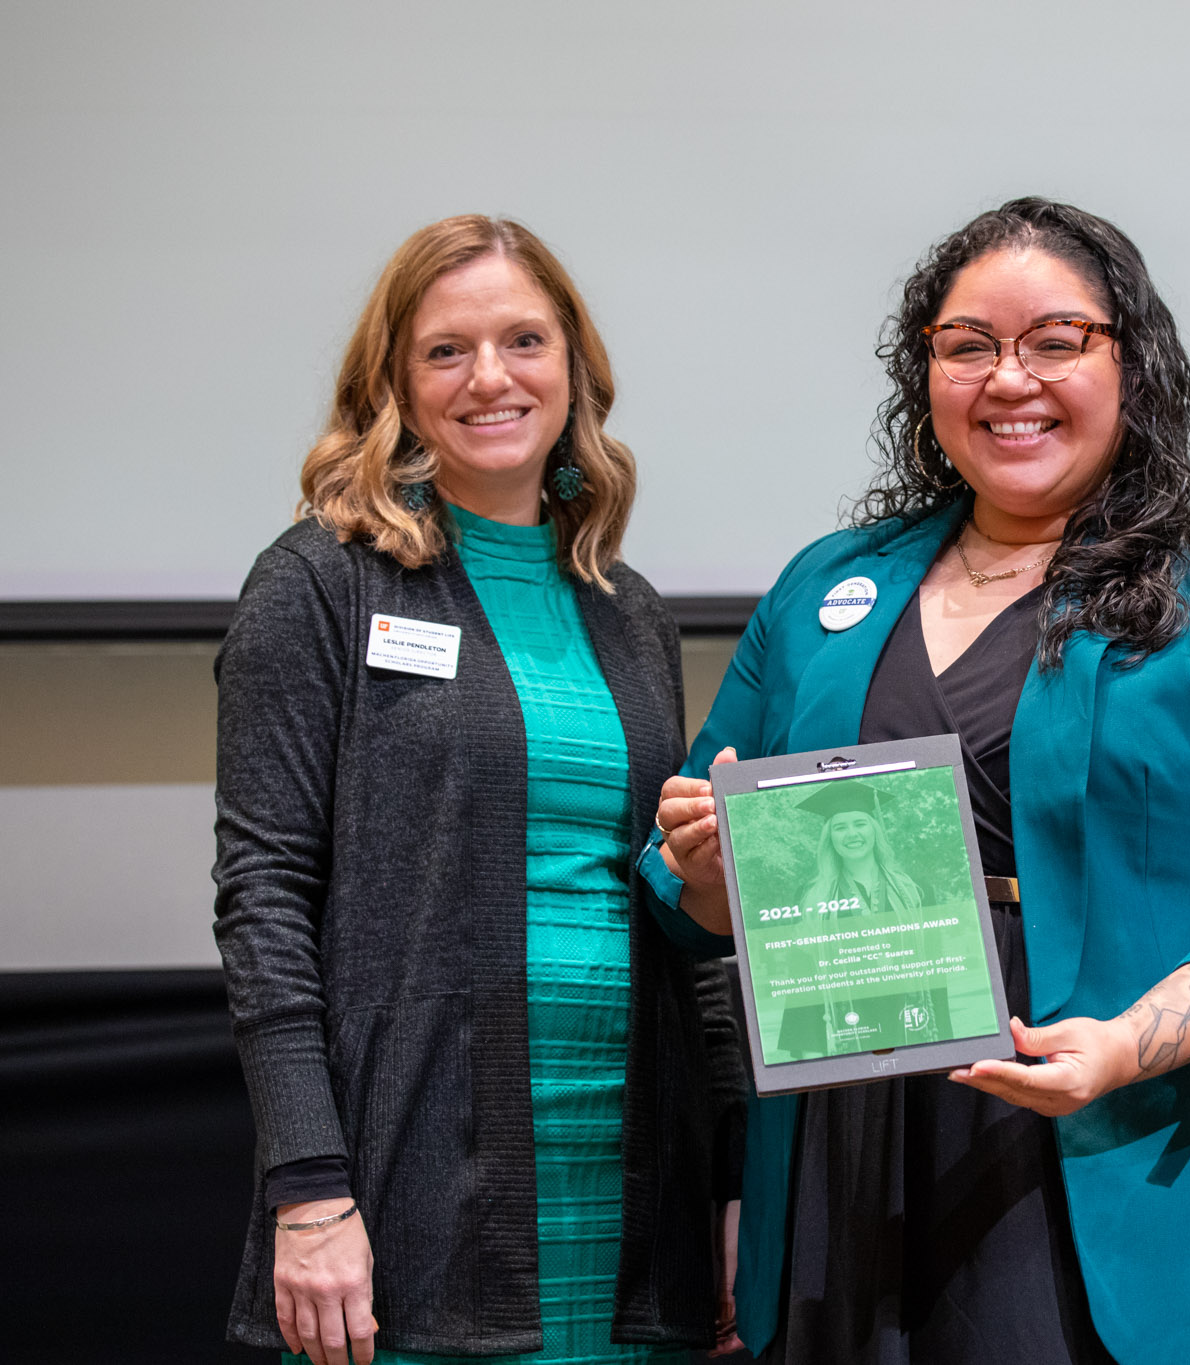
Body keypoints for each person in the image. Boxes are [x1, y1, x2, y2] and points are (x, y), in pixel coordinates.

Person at [641, 198, 1190, 1365]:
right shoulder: (823, 590)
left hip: (1125, 1132)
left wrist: (1129, 1046)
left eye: (1055, 340)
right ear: (922, 374)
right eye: (967, 346)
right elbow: (682, 882)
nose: (1009, 380)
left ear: (1130, 365)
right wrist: (703, 871)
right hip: (846, 1149)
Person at [212, 215, 747, 1365]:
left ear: (573, 370)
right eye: (446, 350)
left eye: (523, 340)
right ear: (394, 383)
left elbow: (679, 898)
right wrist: (307, 1191)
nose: (490, 377)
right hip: (413, 1177)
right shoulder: (318, 584)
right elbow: (261, 902)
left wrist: (733, 1183)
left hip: (632, 1172)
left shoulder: (628, 610)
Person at [797, 781, 925, 915]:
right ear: (829, 837)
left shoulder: (915, 889)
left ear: (874, 831)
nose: (852, 834)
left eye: (860, 824)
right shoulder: (810, 897)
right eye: (840, 827)